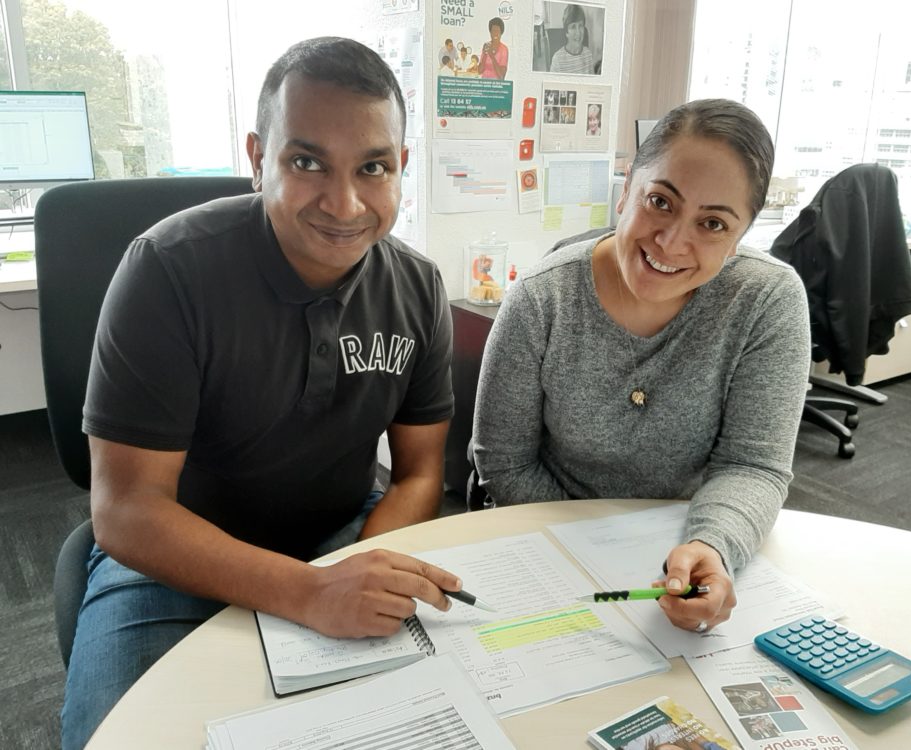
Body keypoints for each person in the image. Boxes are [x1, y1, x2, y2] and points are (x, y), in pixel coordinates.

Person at [61, 37, 462, 749]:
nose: (344, 203)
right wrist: (309, 594)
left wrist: (350, 573)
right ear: (257, 159)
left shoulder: (418, 288)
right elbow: (125, 510)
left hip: (339, 535)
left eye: (373, 167)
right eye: (306, 162)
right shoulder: (167, 271)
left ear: (404, 166)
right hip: (170, 563)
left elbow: (422, 473)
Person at [472, 99, 810, 636]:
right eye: (660, 201)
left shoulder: (766, 300)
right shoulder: (542, 298)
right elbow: (505, 464)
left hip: (687, 541)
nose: (673, 242)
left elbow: (753, 465)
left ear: (741, 234)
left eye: (714, 223)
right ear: (627, 188)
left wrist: (711, 544)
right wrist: (601, 550)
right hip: (554, 539)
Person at [549, 3, 595, 75]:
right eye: (573, 27)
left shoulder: (588, 54)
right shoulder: (557, 59)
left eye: (580, 26)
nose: (578, 32)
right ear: (566, 32)